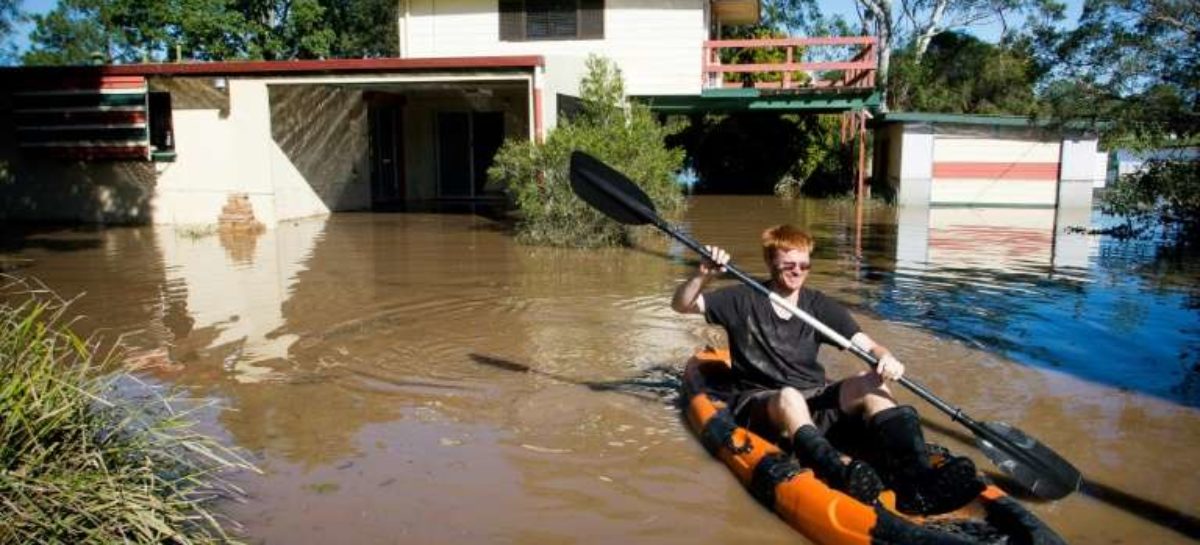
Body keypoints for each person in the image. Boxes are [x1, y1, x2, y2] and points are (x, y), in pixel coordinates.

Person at [671, 224, 982, 514]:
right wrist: (703, 274)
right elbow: (681, 305)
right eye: (788, 265)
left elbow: (870, 345)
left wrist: (886, 358)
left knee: (872, 381)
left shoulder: (819, 306)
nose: (797, 272)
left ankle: (916, 478)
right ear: (770, 262)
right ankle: (834, 471)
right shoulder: (742, 297)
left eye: (804, 265)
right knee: (790, 396)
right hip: (763, 404)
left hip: (814, 398)